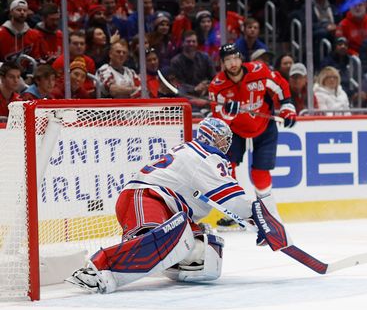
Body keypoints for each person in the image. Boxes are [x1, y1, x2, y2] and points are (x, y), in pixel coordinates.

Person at [67, 118, 292, 294]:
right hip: (146, 198)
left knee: (204, 250)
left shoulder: (191, 152)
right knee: (159, 240)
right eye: (225, 139)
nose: (227, 145)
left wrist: (255, 220)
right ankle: (96, 269)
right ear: (214, 139)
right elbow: (233, 199)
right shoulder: (205, 157)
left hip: (164, 206)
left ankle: (148, 261)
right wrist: (263, 217)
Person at [209, 43, 297, 209]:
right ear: (222, 63)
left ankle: (266, 208)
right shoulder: (217, 85)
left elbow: (280, 86)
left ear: (241, 58)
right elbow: (218, 119)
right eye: (228, 60)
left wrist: (287, 107)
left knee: (260, 173)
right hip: (234, 130)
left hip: (264, 125)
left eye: (235, 58)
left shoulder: (260, 70)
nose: (233, 63)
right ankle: (234, 210)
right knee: (228, 168)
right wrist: (228, 113)